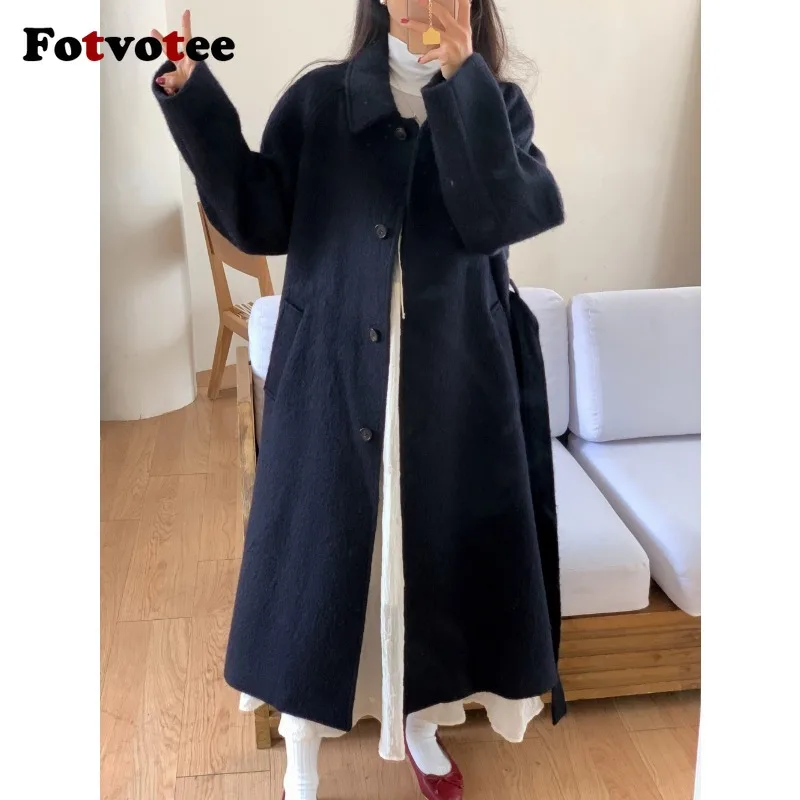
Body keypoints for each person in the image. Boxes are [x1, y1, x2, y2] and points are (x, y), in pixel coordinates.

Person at [152, 2, 565, 798]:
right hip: (333, 373)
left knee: (429, 565)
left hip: (452, 386)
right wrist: (192, 92)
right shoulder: (322, 100)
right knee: (322, 564)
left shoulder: (500, 104)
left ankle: (420, 723)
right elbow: (256, 215)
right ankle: (302, 751)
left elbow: (502, 218)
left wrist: (464, 83)